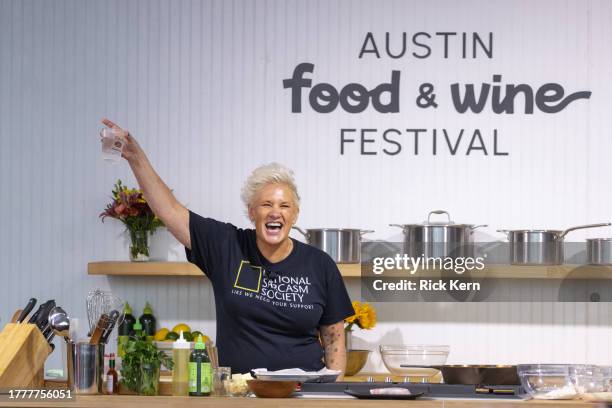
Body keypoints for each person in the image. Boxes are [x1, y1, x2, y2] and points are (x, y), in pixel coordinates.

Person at [101, 118, 355, 376]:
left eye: (284, 206)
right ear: (252, 212)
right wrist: (135, 157)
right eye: (266, 205)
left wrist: (331, 395)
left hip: (304, 393)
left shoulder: (320, 264)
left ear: (295, 215)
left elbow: (334, 340)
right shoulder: (226, 246)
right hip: (240, 392)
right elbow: (170, 211)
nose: (275, 213)